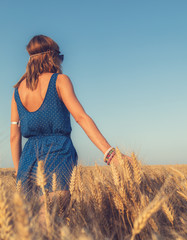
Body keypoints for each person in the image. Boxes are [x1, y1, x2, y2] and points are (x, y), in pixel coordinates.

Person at [10, 35, 119, 202]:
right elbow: (81, 117)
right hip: (57, 152)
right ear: (50, 56)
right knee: (52, 217)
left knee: (29, 221)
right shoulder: (60, 81)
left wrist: (19, 171)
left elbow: (14, 136)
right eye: (60, 56)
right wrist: (110, 153)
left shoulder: (18, 90)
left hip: (27, 158)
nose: (61, 61)